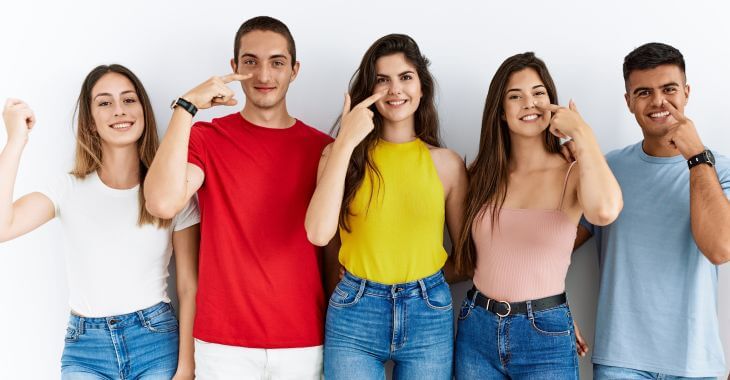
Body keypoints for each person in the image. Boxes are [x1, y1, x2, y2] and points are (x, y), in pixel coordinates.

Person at [144, 16, 333, 379]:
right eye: (251, 61)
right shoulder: (206, 139)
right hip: (222, 344)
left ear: (295, 70)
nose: (264, 75)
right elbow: (162, 203)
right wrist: (186, 106)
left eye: (277, 62)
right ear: (234, 67)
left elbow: (331, 250)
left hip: (304, 341)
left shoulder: (323, 149)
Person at [0, 64, 200, 379]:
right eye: (104, 103)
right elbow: (3, 226)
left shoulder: (172, 193)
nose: (119, 110)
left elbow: (189, 286)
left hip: (156, 342)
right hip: (85, 349)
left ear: (144, 112)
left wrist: (187, 366)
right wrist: (15, 141)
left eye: (129, 100)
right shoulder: (67, 188)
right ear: (91, 123)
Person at [305, 33, 468, 379]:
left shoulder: (447, 165)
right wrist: (346, 141)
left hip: (429, 314)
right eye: (382, 80)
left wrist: (426, 280)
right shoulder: (340, 157)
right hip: (354, 312)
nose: (395, 90)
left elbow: (466, 257)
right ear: (369, 90)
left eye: (405, 78)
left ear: (422, 87)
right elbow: (319, 234)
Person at [452, 52, 622, 379]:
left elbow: (605, 211)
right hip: (477, 327)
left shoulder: (573, 172)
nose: (529, 103)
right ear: (500, 112)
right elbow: (465, 259)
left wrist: (583, 135)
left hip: (544, 332)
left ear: (553, 103)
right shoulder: (479, 176)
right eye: (515, 96)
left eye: (538, 93)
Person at [575, 42, 730, 379]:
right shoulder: (610, 168)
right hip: (621, 362)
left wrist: (696, 157)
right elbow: (557, 244)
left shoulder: (721, 169)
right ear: (629, 101)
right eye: (644, 92)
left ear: (686, 92)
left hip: (694, 364)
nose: (658, 101)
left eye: (669, 89)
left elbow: (720, 248)